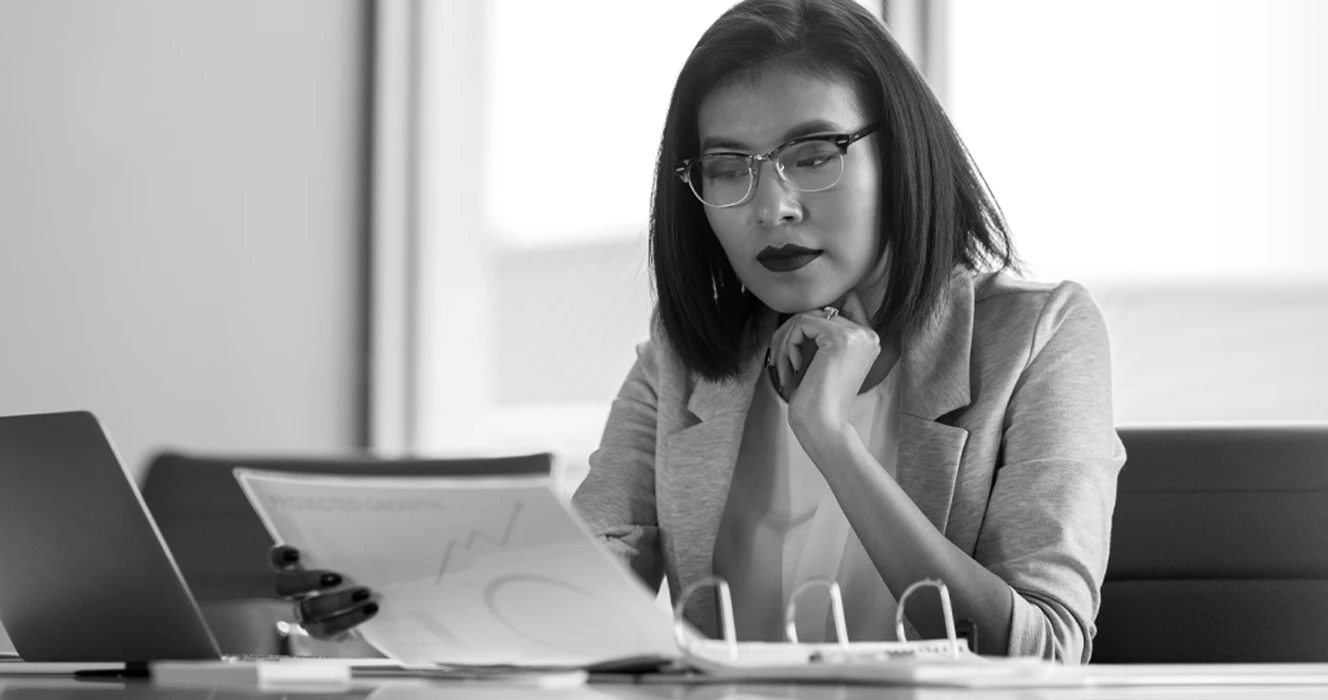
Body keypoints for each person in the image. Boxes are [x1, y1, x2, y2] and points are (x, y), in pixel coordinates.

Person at [274, 0, 1125, 663]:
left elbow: (1044, 650)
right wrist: (392, 615)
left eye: (814, 153)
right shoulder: (689, 359)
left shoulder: (1038, 335)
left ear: (899, 156)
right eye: (728, 168)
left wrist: (832, 440)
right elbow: (579, 587)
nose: (773, 205)